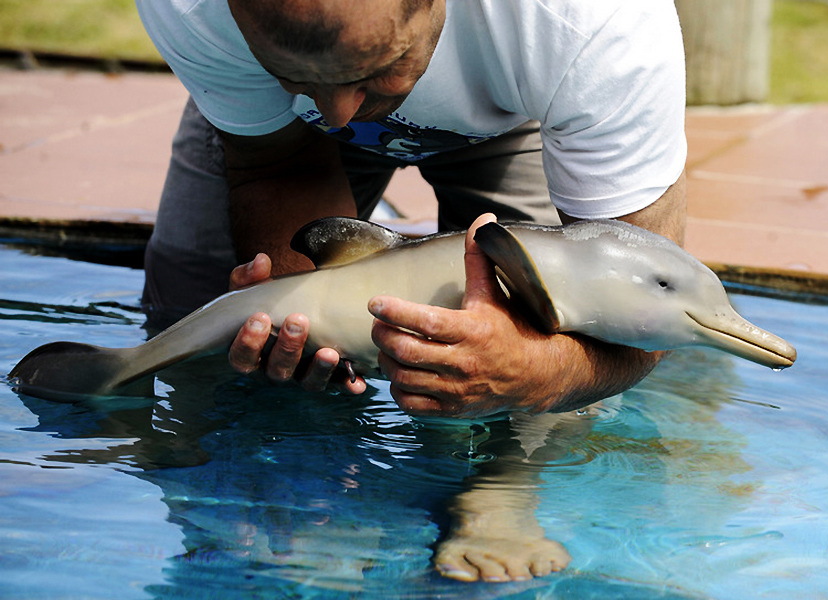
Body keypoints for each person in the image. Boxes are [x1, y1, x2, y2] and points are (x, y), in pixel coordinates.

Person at [136, 0, 687, 581]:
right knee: (195, 319)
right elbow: (277, 164)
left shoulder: (591, 23)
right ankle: (240, 486)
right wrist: (303, 311)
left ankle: (501, 487)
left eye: (380, 66)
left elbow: (640, 307)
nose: (340, 112)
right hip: (282, 133)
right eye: (296, 72)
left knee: (554, 322)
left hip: (513, 106)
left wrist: (532, 367)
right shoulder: (192, 7)